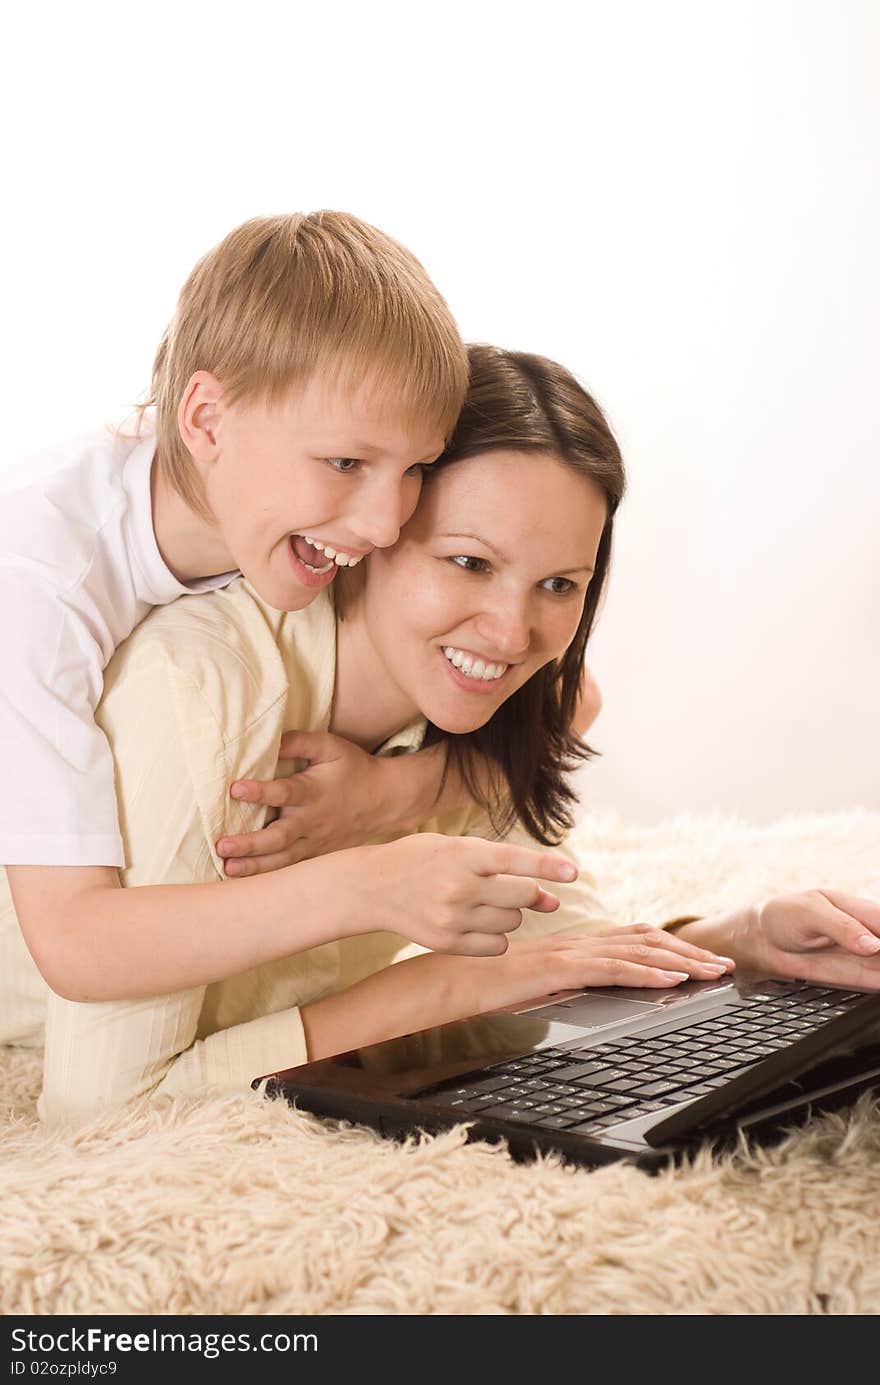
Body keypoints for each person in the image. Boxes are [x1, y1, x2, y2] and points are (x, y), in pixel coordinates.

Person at [4, 345, 877, 1123]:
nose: (510, 634)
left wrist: (737, 939)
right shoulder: (195, 690)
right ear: (373, 531)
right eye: (469, 562)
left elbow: (548, 943)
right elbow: (106, 1104)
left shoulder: (464, 719)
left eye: (559, 585)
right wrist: (436, 983)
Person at [1, 213, 586, 1006]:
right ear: (205, 419)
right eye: (346, 463)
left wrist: (396, 791)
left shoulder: (256, 480)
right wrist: (366, 885)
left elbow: (574, 699)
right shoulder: (39, 581)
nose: (386, 524)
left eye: (413, 467)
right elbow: (75, 941)